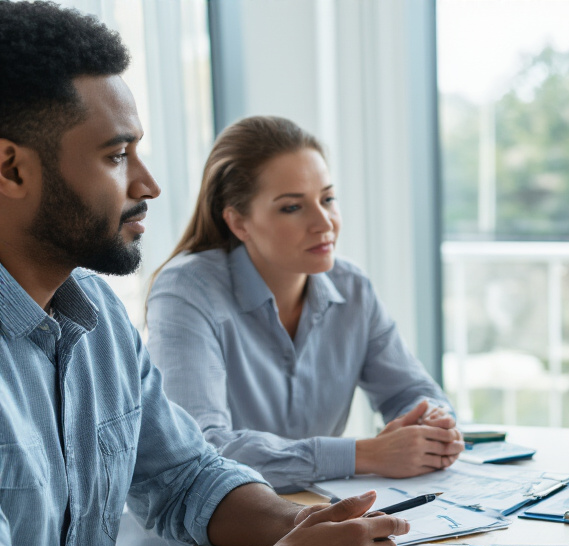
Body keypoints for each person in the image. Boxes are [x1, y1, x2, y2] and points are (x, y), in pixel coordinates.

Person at [0, 1, 404, 546]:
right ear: (10, 169)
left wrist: (292, 528)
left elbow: (184, 474)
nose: (148, 185)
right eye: (117, 155)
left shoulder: (96, 311)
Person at [146, 116, 461, 491]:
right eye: (292, 207)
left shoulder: (352, 288)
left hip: (310, 519)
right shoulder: (187, 289)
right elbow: (201, 449)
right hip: (199, 540)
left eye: (327, 198)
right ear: (239, 222)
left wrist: (432, 425)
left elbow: (410, 392)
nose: (323, 222)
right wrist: (366, 454)